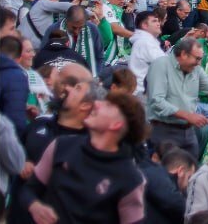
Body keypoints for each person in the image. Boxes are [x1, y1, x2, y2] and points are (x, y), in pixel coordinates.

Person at [21, 92, 147, 224]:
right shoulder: (61, 146)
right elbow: (29, 190)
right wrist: (35, 206)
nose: (96, 104)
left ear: (115, 125)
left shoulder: (131, 179)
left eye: (108, 105)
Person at [128, 10, 165, 95]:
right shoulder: (145, 42)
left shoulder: (147, 41)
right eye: (154, 21)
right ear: (144, 25)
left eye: (158, 21)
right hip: (143, 95)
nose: (158, 24)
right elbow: (165, 65)